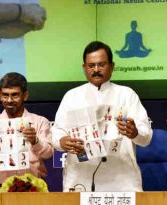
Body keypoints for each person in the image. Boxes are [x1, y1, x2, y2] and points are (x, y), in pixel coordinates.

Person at [52, 41, 152, 191]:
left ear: (112, 66)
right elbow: (56, 132)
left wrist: (135, 133)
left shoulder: (127, 94)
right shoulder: (71, 96)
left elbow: (146, 138)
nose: (96, 70)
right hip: (80, 178)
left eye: (102, 65)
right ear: (84, 68)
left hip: (122, 181)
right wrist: (62, 141)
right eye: (91, 66)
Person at [0, 72, 53, 186]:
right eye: (5, 95)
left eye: (15, 95)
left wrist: (35, 141)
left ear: (25, 95)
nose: (9, 100)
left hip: (34, 188)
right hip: (1, 188)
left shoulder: (40, 121)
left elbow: (49, 154)